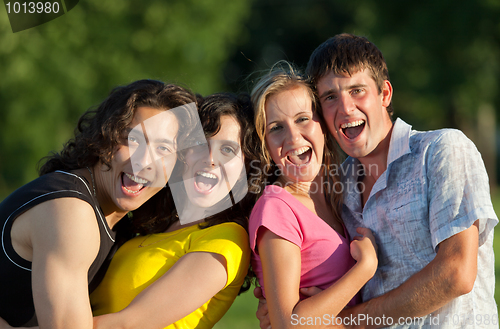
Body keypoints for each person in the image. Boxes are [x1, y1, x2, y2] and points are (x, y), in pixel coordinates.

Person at [258, 33, 498, 328]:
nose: (345, 108)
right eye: (330, 97)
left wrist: (340, 322)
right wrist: (284, 306)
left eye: (357, 90)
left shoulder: (440, 151)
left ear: (385, 94)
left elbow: (456, 273)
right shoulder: (337, 188)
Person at [0, 79, 199, 328]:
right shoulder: (72, 210)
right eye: (132, 140)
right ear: (105, 138)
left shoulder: (113, 218)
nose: (144, 160)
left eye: (163, 148)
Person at [88, 92, 258, 329]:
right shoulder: (158, 223)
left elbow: (128, 324)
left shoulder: (226, 239)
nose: (210, 159)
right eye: (200, 144)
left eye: (227, 150)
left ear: (246, 167)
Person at [249, 63, 378, 329]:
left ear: (322, 125)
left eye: (302, 119)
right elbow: (289, 325)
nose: (293, 137)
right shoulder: (277, 208)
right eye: (276, 128)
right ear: (265, 145)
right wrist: (364, 268)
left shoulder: (334, 194)